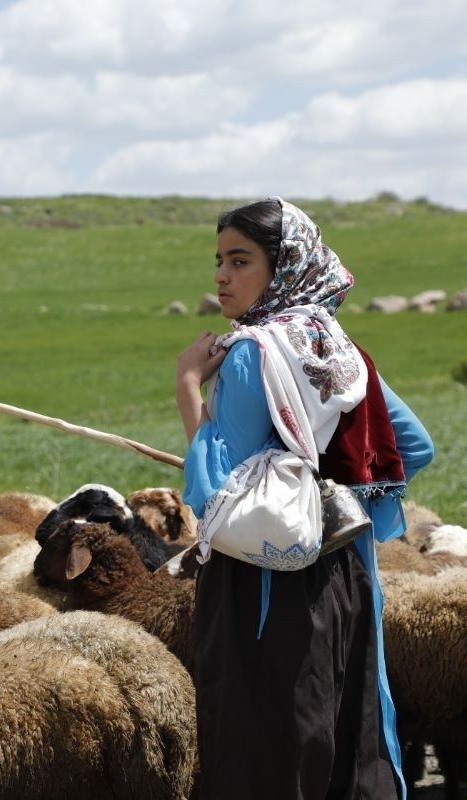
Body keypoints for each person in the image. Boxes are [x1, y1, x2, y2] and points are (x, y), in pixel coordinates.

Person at [175, 197, 434, 799]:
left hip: (264, 585)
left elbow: (218, 493)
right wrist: (333, 502)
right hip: (345, 577)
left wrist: (189, 385)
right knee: (345, 737)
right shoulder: (339, 352)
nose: (221, 276)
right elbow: (413, 447)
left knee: (266, 750)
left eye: (240, 261)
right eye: (218, 260)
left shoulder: (252, 354)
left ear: (283, 264)